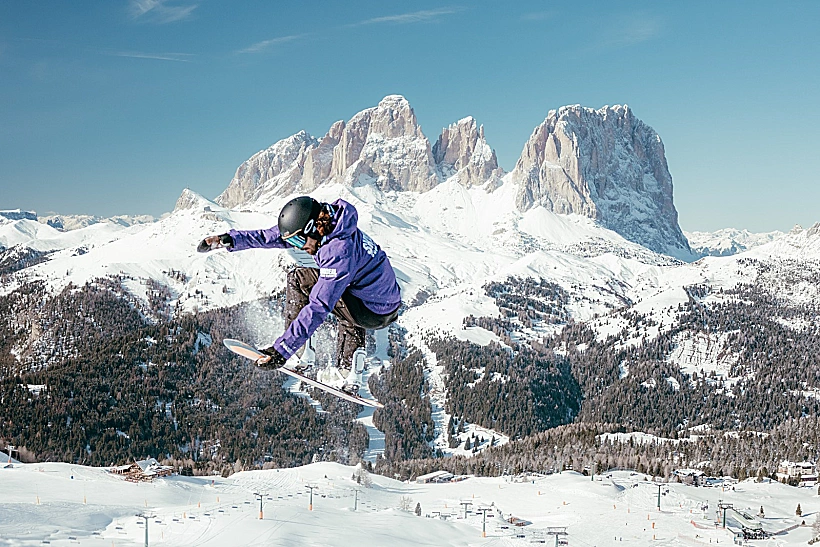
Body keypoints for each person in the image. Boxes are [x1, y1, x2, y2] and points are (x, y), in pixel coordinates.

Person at [198, 196, 401, 393]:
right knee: (341, 294)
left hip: (370, 310)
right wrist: (229, 240)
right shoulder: (334, 223)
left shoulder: (338, 251)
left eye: (298, 239)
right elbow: (271, 236)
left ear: (312, 228)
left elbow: (318, 307)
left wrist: (283, 350)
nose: (299, 246)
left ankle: (301, 351)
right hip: (383, 303)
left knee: (300, 280)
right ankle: (348, 370)